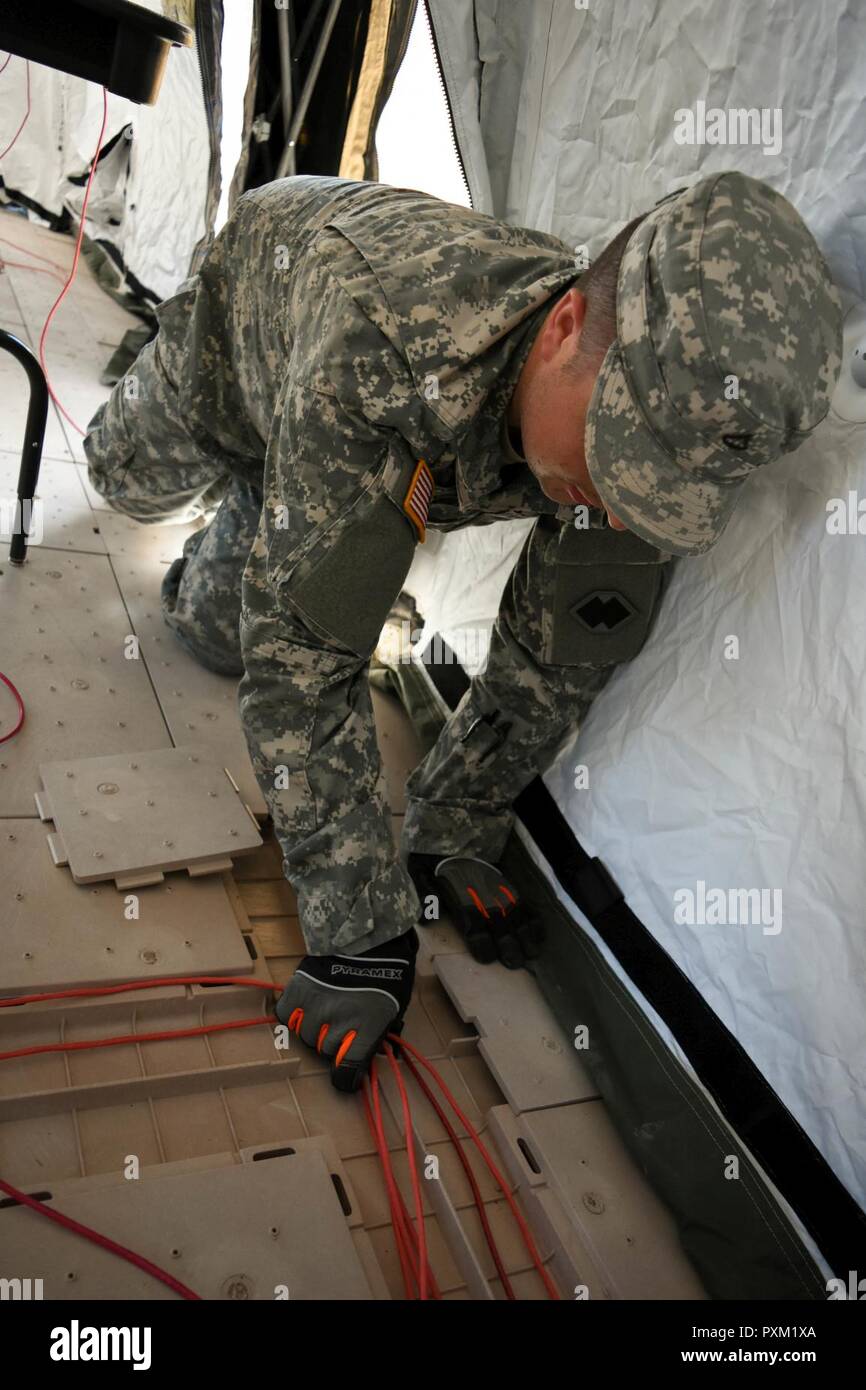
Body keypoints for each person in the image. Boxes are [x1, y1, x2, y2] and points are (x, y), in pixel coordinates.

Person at [84, 170, 841, 1091]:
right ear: (564, 328)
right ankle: (247, 462)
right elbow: (303, 668)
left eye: (656, 488)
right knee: (122, 479)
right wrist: (358, 933)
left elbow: (560, 655)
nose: (616, 499)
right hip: (254, 311)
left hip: (338, 423)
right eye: (616, 454)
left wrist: (454, 823)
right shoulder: (382, 353)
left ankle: (278, 498)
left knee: (215, 632)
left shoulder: (654, 458)